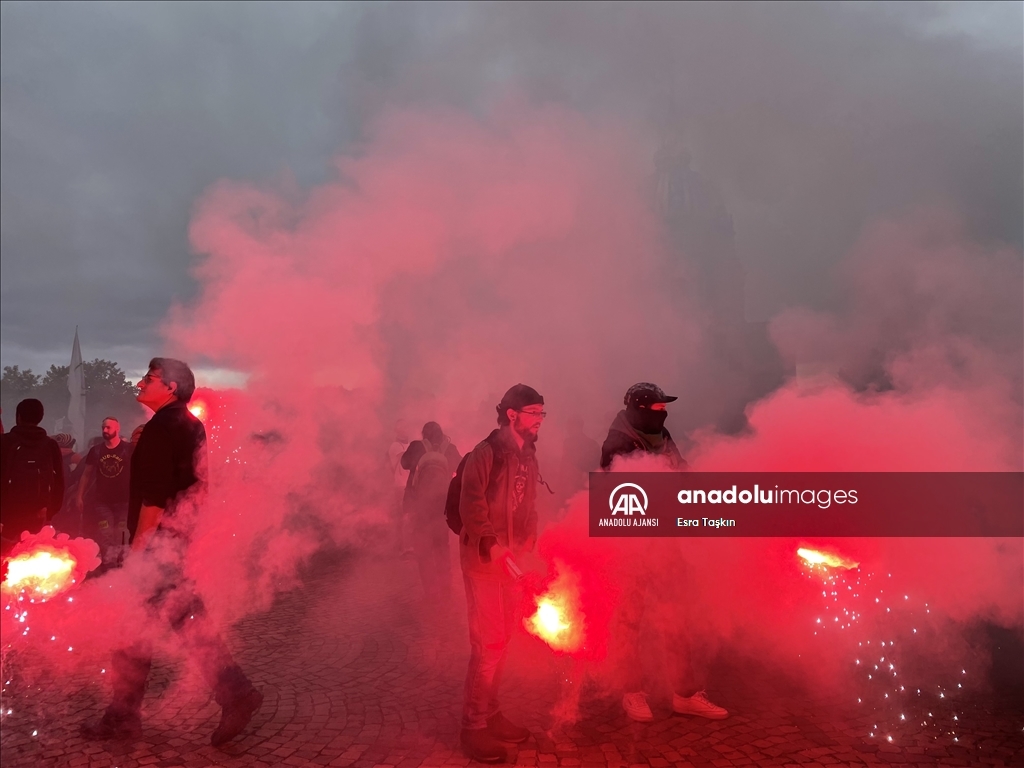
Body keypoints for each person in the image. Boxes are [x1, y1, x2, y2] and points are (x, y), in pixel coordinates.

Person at [82, 358, 262, 745]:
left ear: (172, 388)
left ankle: (234, 694)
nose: (141, 382)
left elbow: (155, 497)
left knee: (159, 625)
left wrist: (141, 553)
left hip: (157, 545)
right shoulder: (191, 425)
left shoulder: (160, 429)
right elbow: (201, 487)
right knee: (154, 628)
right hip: (176, 540)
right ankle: (125, 715)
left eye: (150, 378)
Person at [600, 383, 726, 723]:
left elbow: (682, 472)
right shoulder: (617, 445)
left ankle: (684, 695)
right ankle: (632, 693)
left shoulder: (663, 435)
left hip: (665, 543)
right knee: (629, 622)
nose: (663, 413)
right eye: (656, 409)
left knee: (677, 615)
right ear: (639, 410)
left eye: (663, 409)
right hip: (633, 548)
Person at [458, 384, 545, 764]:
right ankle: (473, 728)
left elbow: (528, 507)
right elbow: (471, 503)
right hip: (483, 563)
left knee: (503, 641)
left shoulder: (528, 456)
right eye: (534, 413)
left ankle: (492, 715)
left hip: (512, 565)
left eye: (543, 413)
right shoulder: (485, 453)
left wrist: (527, 549)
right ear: (512, 414)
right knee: (488, 646)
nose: (540, 420)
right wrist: (493, 545)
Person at [401, 422, 461, 602]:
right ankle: (446, 590)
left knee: (423, 551)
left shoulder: (417, 446)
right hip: (442, 507)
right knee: (442, 548)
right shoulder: (450, 448)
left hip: (421, 507)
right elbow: (459, 467)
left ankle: (430, 592)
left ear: (423, 434)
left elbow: (404, 464)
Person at [0, 399, 64, 555]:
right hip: (39, 514)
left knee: (6, 556)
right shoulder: (50, 445)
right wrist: (50, 512)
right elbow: (60, 481)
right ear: (40, 417)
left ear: (18, 417)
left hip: (8, 514)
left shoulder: (5, 442)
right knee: (33, 555)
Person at [76, 418, 132, 564]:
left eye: (108, 427)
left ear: (117, 428)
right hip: (102, 500)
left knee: (121, 534)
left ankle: (122, 564)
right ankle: (109, 564)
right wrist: (79, 496)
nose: (105, 430)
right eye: (103, 428)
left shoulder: (128, 449)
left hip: (124, 500)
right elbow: (86, 474)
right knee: (105, 533)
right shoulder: (96, 450)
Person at [387, 420, 412, 556]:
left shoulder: (409, 444)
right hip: (401, 485)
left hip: (409, 485)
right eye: (401, 427)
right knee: (404, 517)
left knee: (410, 516)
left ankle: (408, 546)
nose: (405, 429)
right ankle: (402, 549)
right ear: (396, 430)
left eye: (406, 426)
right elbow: (405, 460)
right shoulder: (395, 446)